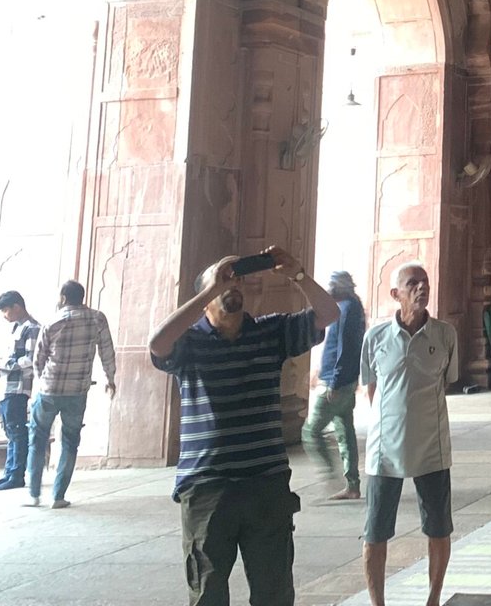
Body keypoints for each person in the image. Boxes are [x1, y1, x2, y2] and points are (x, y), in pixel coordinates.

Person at [149, 246, 338, 606]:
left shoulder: (271, 331)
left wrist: (297, 274)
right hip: (207, 487)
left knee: (274, 592)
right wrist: (210, 288)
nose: (231, 284)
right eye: (222, 280)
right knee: (208, 593)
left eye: (236, 280)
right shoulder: (189, 343)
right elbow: (158, 343)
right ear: (203, 297)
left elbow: (328, 313)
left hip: (265, 483)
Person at [360, 261, 459, 606]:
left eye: (425, 282)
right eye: (412, 283)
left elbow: (445, 383)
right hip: (384, 451)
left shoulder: (444, 335)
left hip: (432, 448)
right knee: (375, 531)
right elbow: (373, 389)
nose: (422, 288)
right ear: (395, 294)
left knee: (438, 527)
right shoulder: (375, 338)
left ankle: (433, 598)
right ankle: (378, 603)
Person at [26, 280, 117, 508]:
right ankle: (58, 496)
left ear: (64, 297)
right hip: (77, 391)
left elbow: (39, 359)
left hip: (49, 389)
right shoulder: (97, 318)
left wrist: (41, 382)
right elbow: (106, 350)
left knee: (37, 440)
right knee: (69, 442)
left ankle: (34, 494)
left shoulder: (52, 320)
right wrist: (110, 378)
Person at [304, 270, 367, 501]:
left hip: (337, 381)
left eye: (331, 286)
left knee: (310, 432)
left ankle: (330, 476)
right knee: (344, 429)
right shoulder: (352, 307)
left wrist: (335, 381)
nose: (328, 290)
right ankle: (352, 484)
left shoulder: (346, 310)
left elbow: (346, 348)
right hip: (344, 380)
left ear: (340, 288)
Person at [0, 290, 40, 491]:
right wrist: (0, 362)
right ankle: (9, 472)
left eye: (6, 310)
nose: (5, 315)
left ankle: (17, 475)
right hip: (6, 387)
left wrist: (2, 363)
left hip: (18, 388)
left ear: (17, 307)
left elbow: (30, 360)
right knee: (10, 431)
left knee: (17, 432)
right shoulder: (17, 328)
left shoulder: (32, 329)